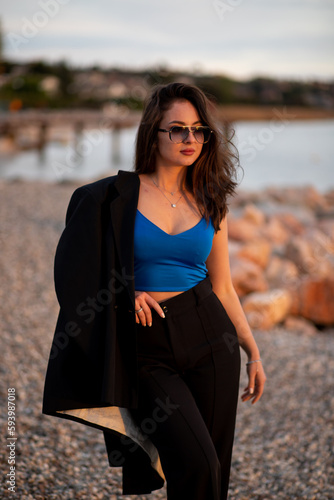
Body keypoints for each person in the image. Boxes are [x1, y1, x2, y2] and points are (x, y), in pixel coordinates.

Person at [42, 82, 266, 500]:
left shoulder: (212, 200)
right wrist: (123, 293)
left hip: (210, 337)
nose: (190, 139)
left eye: (199, 130)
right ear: (153, 132)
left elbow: (224, 286)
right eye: (177, 129)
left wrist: (251, 350)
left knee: (214, 468)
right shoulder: (112, 198)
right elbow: (73, 271)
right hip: (144, 346)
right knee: (194, 461)